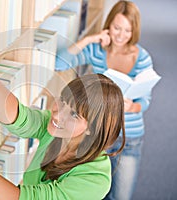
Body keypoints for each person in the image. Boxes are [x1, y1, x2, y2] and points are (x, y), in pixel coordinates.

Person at [0, 30, 126, 200]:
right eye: (62, 100)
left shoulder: (95, 179)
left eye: (73, 114)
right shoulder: (54, 129)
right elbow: (17, 117)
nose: (57, 114)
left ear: (93, 127)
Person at [55, 1, 154, 199]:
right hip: (98, 134)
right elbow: (59, 63)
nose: (120, 35)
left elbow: (146, 100)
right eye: (117, 27)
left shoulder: (142, 57)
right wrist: (88, 39)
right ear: (109, 25)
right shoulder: (97, 51)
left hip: (129, 138)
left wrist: (132, 106)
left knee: (120, 197)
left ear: (134, 31)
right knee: (90, 193)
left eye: (127, 30)